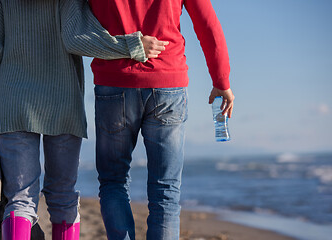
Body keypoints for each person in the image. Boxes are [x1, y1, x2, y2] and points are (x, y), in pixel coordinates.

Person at [0, 0, 168, 239]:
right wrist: (131, 45)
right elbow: (77, 38)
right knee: (63, 197)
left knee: (20, 200)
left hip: (12, 104)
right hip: (63, 102)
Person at [88, 0, 235, 239]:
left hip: (113, 82)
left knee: (113, 182)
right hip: (168, 84)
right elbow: (207, 24)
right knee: (165, 189)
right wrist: (221, 81)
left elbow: (78, 22)